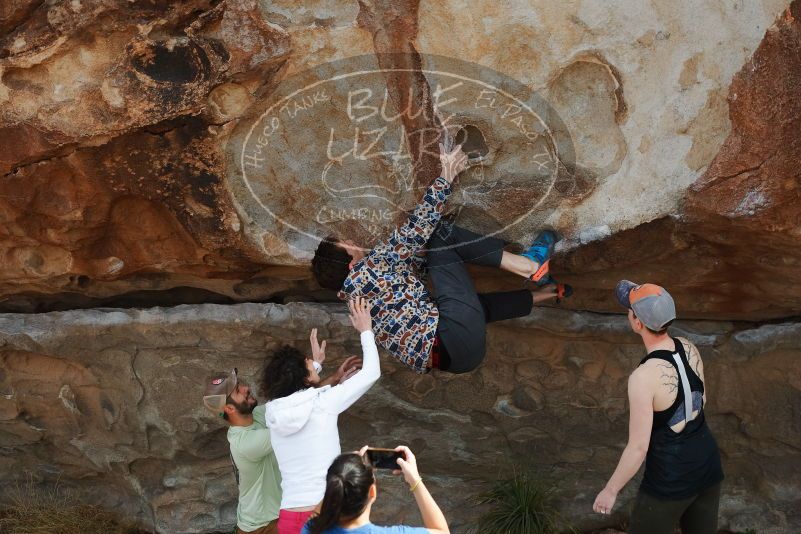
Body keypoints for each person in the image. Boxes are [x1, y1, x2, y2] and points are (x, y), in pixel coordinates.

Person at [311, 143, 571, 374]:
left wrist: (423, 257)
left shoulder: (359, 303)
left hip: (458, 360)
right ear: (350, 263)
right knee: (438, 234)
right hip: (451, 332)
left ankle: (548, 292)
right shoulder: (368, 269)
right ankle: (528, 265)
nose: (354, 242)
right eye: (347, 243)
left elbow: (417, 271)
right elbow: (419, 227)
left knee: (466, 304)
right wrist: (447, 174)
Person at [593, 281, 724, 534]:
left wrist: (610, 491)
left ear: (637, 323)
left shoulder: (643, 377)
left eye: (629, 310)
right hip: (708, 467)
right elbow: (701, 401)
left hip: (669, 481)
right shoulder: (689, 347)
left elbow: (638, 448)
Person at [263, 296, 379, 534]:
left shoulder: (274, 412)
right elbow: (371, 373)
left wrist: (315, 367)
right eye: (307, 363)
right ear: (303, 378)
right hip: (323, 513)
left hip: (288, 517)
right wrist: (366, 330)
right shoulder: (323, 403)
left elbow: (295, 393)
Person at [202, 369, 282, 534]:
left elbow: (294, 404)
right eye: (238, 390)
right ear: (230, 408)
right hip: (261, 527)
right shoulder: (245, 443)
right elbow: (293, 423)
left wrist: (332, 378)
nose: (246, 388)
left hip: (272, 517)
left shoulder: (257, 416)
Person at [302, 445, 448, 534]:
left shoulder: (311, 529)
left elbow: (316, 514)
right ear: (372, 491)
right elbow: (442, 532)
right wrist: (414, 480)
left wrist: (345, 471)